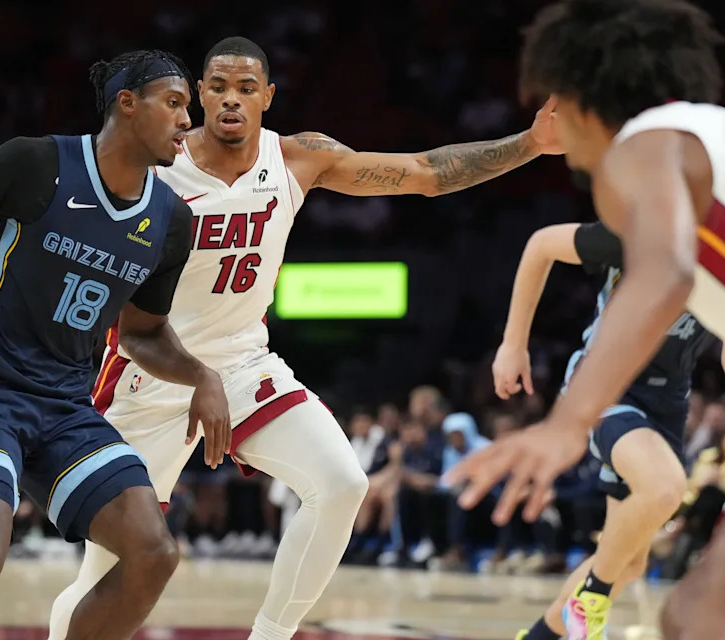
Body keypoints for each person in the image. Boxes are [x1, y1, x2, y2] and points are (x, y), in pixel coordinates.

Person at [49, 36, 562, 640]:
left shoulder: (297, 158)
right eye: (218, 87)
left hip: (242, 365)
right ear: (199, 95)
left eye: (246, 88)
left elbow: (425, 173)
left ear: (267, 96)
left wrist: (530, 143)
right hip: (150, 372)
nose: (231, 99)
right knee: (109, 570)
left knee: (342, 484)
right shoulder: (156, 163)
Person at [0, 49, 232, 640]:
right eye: (175, 103)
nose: (188, 120)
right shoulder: (34, 163)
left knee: (154, 554)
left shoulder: (170, 221)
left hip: (69, 407)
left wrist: (203, 376)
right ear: (127, 104)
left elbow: (143, 333)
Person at [443, 2, 725, 639]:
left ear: (583, 100)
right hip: (632, 395)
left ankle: (586, 600)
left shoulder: (648, 147)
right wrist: (515, 346)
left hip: (648, 396)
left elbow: (665, 273)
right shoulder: (702, 145)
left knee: (661, 584)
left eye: (554, 101)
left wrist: (566, 424)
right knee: (686, 605)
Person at [492, 221, 717, 639]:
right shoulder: (642, 232)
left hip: (667, 403)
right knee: (664, 487)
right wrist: (513, 344)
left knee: (627, 564)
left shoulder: (717, 267)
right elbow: (541, 244)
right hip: (603, 385)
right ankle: (591, 600)